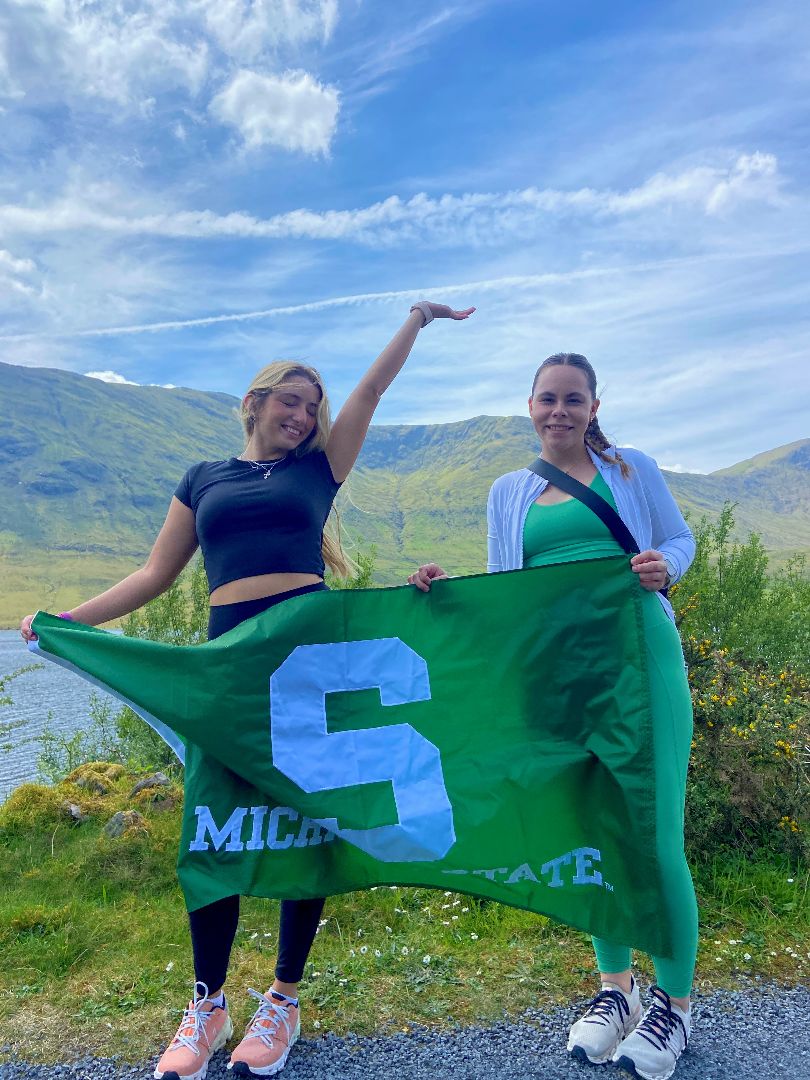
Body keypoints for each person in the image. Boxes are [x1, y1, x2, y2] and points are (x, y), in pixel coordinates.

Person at [20, 299, 474, 1080]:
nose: (303, 415)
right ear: (255, 404)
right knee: (214, 826)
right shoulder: (203, 479)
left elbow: (367, 395)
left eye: (312, 406)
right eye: (289, 402)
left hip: (308, 662)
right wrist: (66, 620)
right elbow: (155, 574)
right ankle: (207, 1004)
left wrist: (415, 321)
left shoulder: (318, 470)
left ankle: (284, 998)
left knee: (312, 822)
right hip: (228, 669)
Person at [408, 352, 697, 1080]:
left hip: (640, 661)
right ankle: (615, 994)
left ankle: (675, 1006)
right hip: (556, 678)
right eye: (548, 399)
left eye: (574, 399)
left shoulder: (633, 470)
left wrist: (667, 565)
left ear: (594, 405)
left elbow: (681, 539)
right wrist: (446, 591)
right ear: (529, 406)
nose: (559, 410)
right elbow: (509, 591)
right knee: (590, 832)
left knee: (656, 838)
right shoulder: (508, 491)